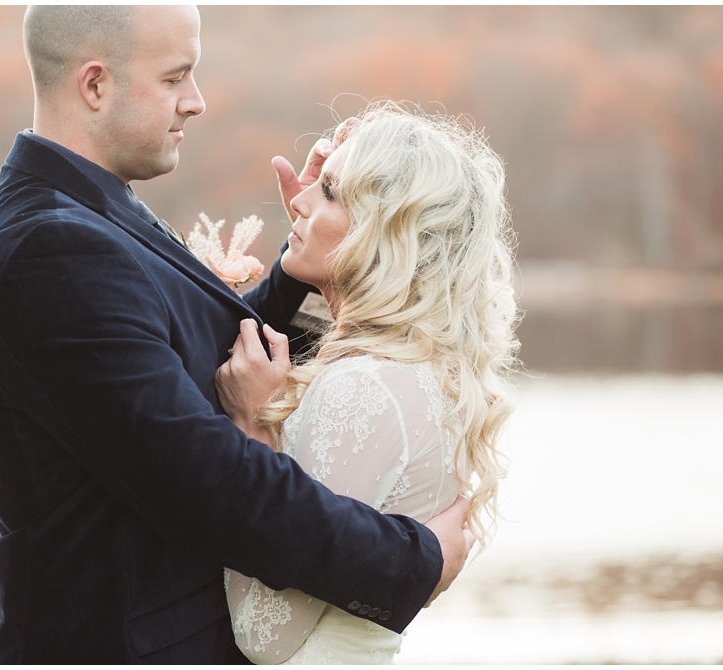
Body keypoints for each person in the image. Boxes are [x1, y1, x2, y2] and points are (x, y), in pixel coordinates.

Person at [0, 6, 471, 664]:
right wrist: (412, 560)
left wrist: (317, 248)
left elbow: (201, 366)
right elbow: (209, 482)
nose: (195, 102)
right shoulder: (50, 249)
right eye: (175, 78)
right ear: (94, 85)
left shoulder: (88, 213)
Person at [215, 102, 519, 664]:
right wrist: (315, 238)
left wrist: (251, 428)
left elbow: (262, 633)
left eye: (329, 192)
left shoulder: (362, 387)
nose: (299, 201)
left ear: (388, 230)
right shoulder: (418, 367)